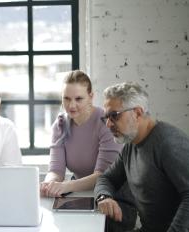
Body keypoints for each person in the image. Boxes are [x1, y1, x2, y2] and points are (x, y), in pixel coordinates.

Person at [95, 82, 189, 231]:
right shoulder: (130, 146)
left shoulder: (169, 143)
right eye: (106, 117)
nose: (108, 124)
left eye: (113, 116)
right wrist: (104, 197)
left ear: (137, 113)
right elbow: (106, 178)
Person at [40, 70, 137, 231]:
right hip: (81, 195)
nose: (71, 105)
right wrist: (49, 183)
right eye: (66, 98)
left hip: (115, 199)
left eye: (78, 99)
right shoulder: (60, 124)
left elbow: (103, 176)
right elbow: (56, 170)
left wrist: (65, 186)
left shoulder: (106, 123)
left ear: (91, 96)